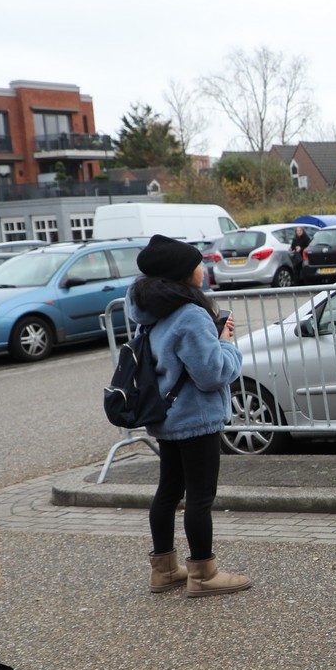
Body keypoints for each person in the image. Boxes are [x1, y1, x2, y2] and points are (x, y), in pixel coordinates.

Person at [126, 235, 250, 597]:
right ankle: (203, 574)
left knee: (168, 491)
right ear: (182, 272)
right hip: (196, 418)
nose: (203, 269)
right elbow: (211, 374)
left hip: (166, 415)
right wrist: (225, 343)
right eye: (198, 263)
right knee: (199, 496)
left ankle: (164, 570)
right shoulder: (190, 314)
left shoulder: (149, 310)